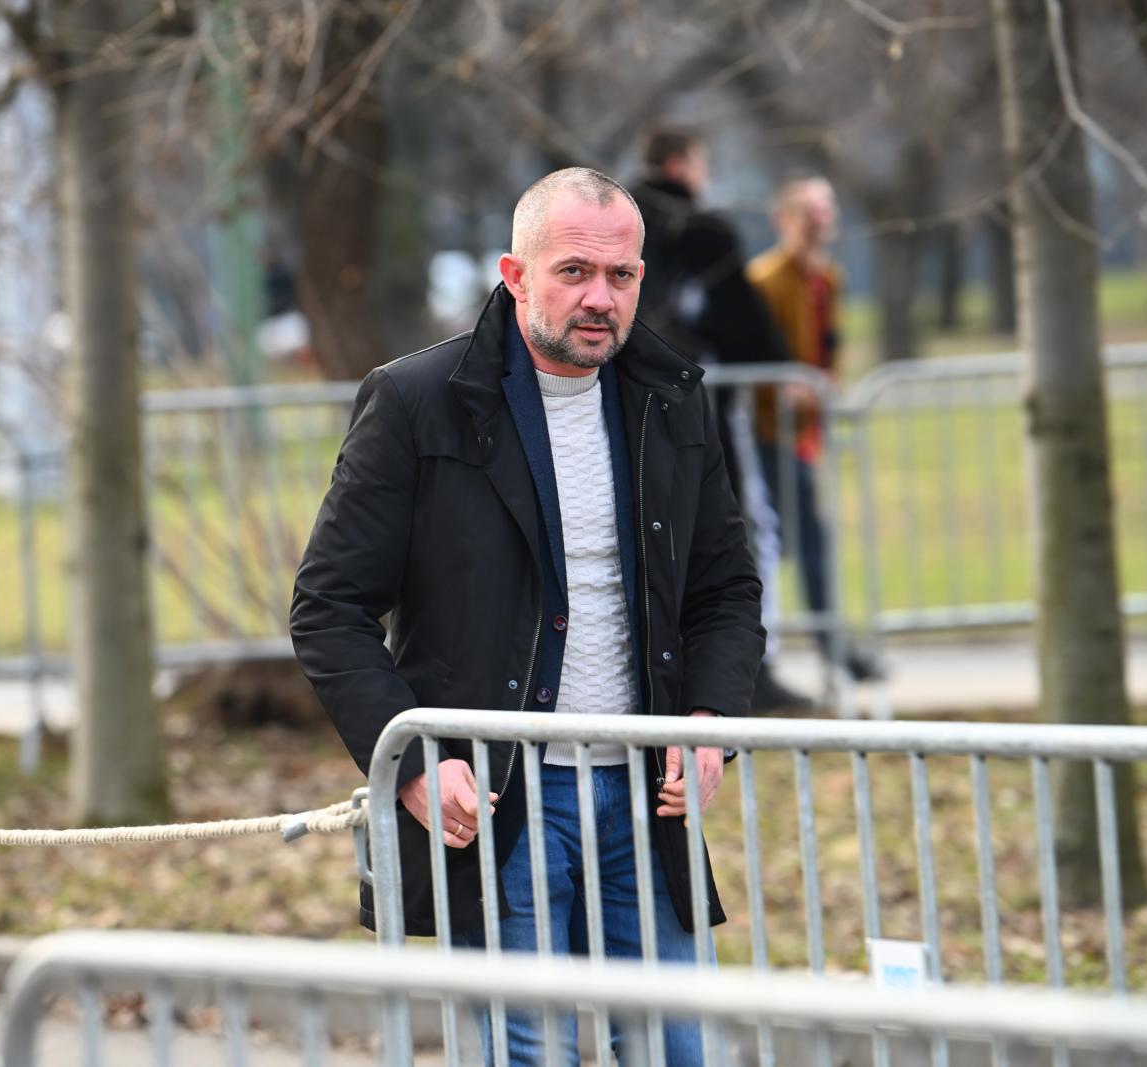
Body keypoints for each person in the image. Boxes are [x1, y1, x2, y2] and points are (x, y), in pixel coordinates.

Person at [291, 167, 764, 1065]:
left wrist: (709, 722)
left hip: (645, 789)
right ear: (514, 275)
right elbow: (328, 607)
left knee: (676, 1048)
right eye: (573, 271)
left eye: (621, 276)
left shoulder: (671, 397)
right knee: (525, 1052)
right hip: (503, 795)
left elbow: (726, 590)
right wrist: (412, 759)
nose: (600, 299)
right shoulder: (417, 400)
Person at [632, 127, 815, 713]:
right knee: (744, 528)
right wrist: (780, 367)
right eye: (701, 163)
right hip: (706, 403)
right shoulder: (702, 231)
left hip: (629, 406)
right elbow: (743, 322)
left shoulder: (621, 222)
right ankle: (753, 667)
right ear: (680, 165)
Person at [747, 176, 884, 683]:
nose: (820, 221)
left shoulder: (828, 277)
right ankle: (796, 653)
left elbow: (829, 347)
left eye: (826, 210)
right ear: (783, 219)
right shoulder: (765, 280)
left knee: (801, 537)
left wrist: (824, 392)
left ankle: (828, 647)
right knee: (784, 540)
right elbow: (757, 360)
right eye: (809, 211)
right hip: (768, 431)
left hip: (804, 431)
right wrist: (786, 390)